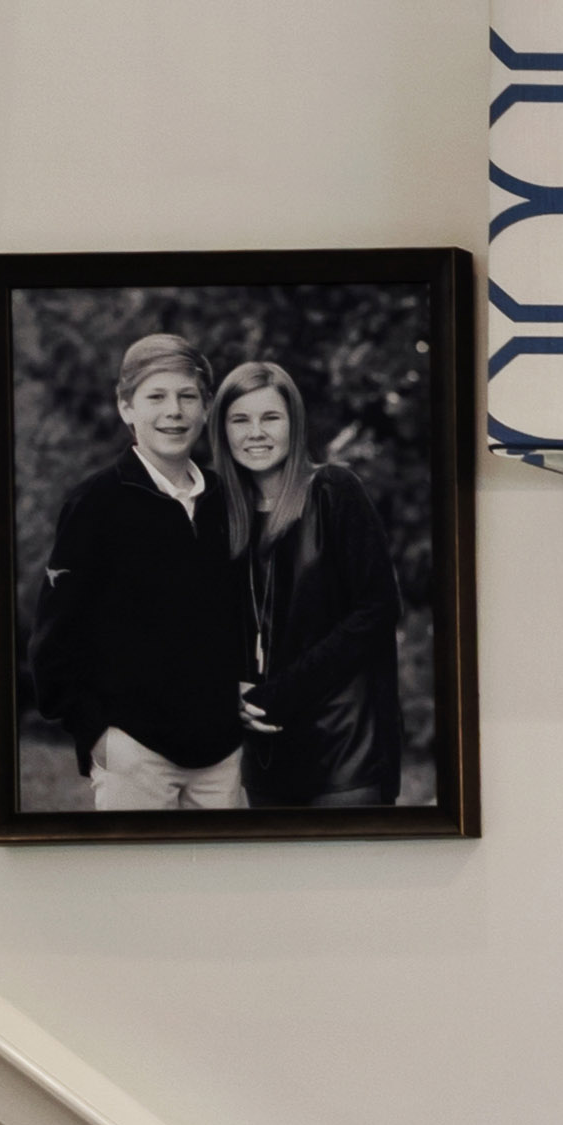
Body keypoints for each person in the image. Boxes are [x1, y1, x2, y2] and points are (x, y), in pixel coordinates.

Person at [27, 329, 249, 807]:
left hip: (221, 754)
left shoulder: (227, 499)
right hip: (135, 752)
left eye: (187, 396)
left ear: (206, 407)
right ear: (126, 407)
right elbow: (56, 638)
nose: (174, 411)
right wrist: (96, 732)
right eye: (156, 396)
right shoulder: (96, 503)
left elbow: (244, 614)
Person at [211, 348, 413, 814]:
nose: (256, 432)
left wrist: (282, 694)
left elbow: (377, 610)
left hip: (345, 748)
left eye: (270, 418)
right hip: (266, 751)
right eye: (240, 420)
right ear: (222, 431)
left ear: (294, 424)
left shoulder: (333, 492)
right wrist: (227, 692)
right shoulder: (220, 517)